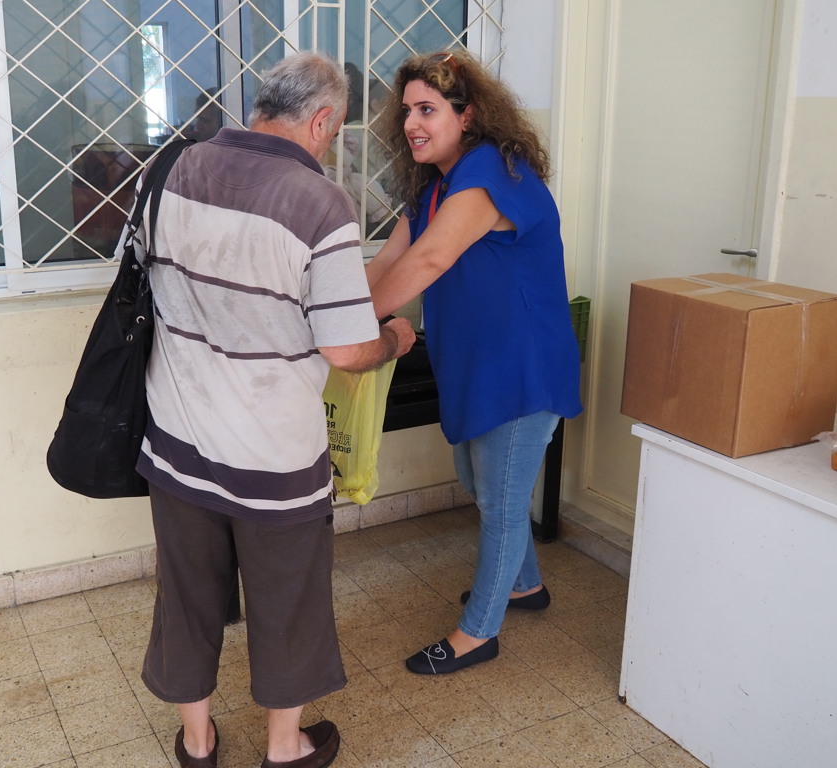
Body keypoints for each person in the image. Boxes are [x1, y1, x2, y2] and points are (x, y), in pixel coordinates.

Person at [129, 52, 416, 768]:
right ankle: (284, 747)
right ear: (321, 121)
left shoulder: (169, 171)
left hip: (177, 440)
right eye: (335, 131)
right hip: (274, 459)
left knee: (186, 594)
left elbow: (145, 282)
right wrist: (393, 339)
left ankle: (198, 742)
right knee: (287, 602)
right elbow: (347, 351)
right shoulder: (319, 205)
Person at [366, 50, 582, 675]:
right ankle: (524, 585)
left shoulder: (492, 172)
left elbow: (428, 263)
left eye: (427, 109)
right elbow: (387, 265)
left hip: (523, 365)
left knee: (502, 502)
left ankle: (478, 632)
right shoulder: (435, 187)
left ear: (470, 115)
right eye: (406, 110)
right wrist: (327, 310)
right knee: (481, 482)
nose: (411, 122)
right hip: (476, 364)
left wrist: (340, 328)